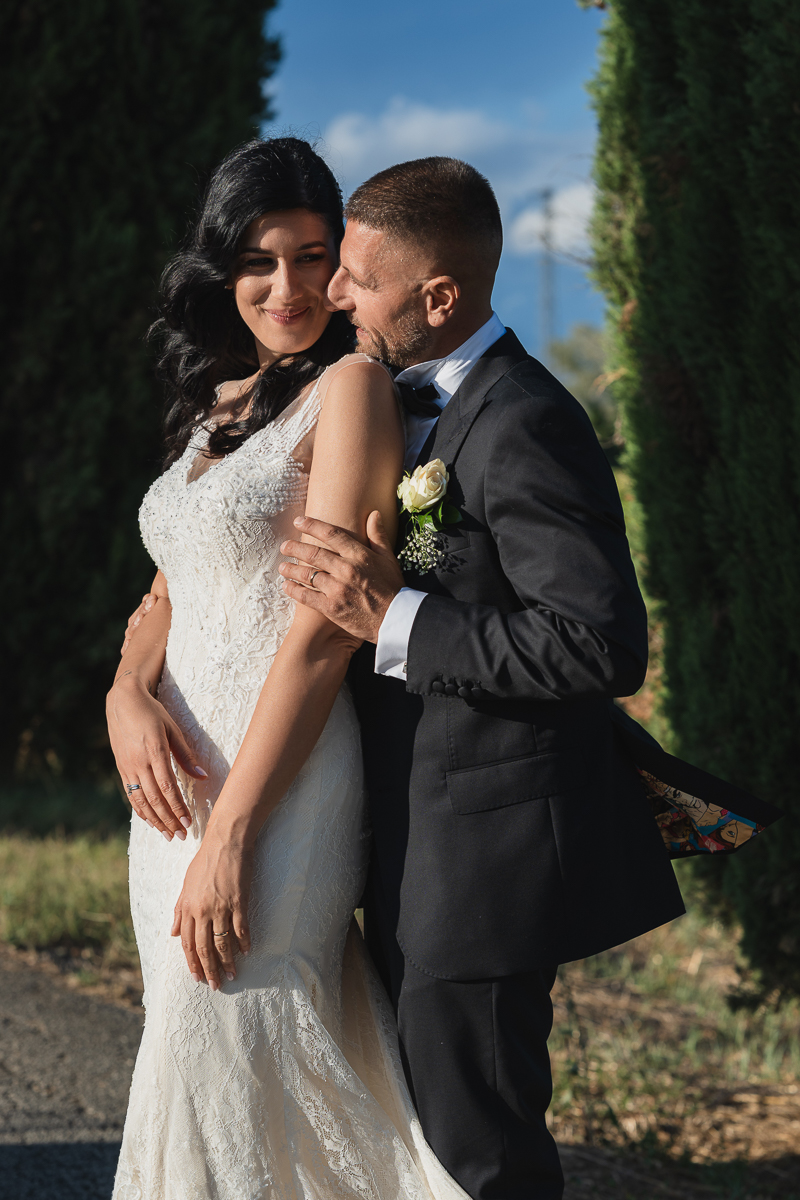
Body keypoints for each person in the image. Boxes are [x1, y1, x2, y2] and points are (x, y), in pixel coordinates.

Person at [120, 153, 780, 1199]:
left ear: (437, 296)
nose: (330, 293)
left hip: (480, 848)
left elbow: (599, 644)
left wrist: (392, 616)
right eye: (278, 262)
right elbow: (189, 584)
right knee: (395, 1112)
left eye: (345, 270)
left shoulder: (521, 416)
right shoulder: (359, 392)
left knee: (474, 1152)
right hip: (380, 822)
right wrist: (128, 689)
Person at [107, 137, 471, 1199]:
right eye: (258, 262)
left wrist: (232, 834)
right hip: (171, 800)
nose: (287, 287)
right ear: (222, 270)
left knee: (228, 1041)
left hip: (277, 794)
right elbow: (168, 593)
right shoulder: (219, 404)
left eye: (313, 257)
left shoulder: (350, 388)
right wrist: (126, 693)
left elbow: (323, 632)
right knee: (204, 1060)